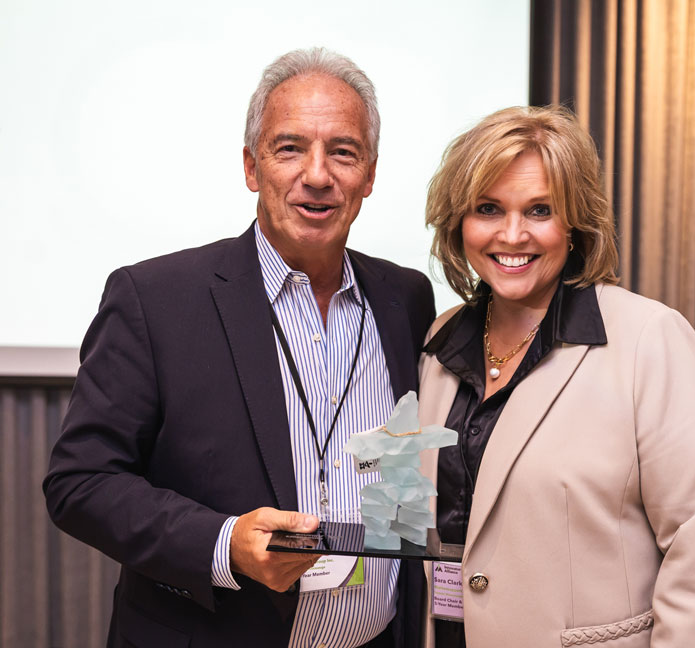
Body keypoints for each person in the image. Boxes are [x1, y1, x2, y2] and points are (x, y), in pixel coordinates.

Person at [43, 47, 434, 647]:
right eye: (290, 148)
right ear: (252, 167)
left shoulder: (405, 298)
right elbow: (81, 481)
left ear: (370, 175)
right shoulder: (155, 299)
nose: (318, 175)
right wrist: (225, 544)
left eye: (343, 152)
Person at [417, 105, 695, 647]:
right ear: (459, 223)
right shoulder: (441, 340)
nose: (512, 234)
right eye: (488, 208)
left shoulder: (649, 339)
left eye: (540, 210)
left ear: (574, 224)